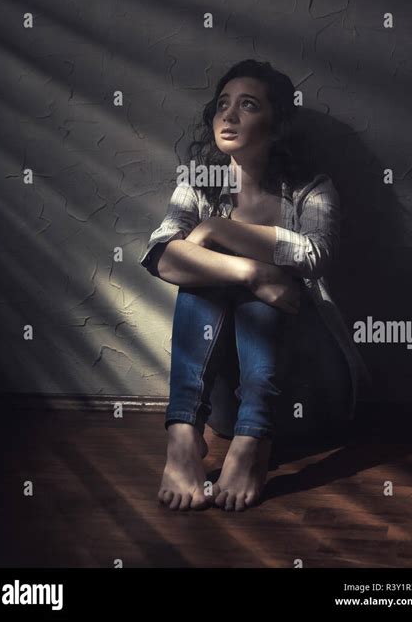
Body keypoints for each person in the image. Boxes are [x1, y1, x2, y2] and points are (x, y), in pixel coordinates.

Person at [139, 59, 371, 512]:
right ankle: (184, 433)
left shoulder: (311, 189)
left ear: (277, 123)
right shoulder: (200, 185)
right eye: (222, 104)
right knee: (216, 276)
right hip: (226, 406)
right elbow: (161, 256)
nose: (228, 115)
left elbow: (315, 255)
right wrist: (253, 272)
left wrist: (218, 231)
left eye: (248, 105)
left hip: (306, 390)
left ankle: (254, 440)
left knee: (239, 267)